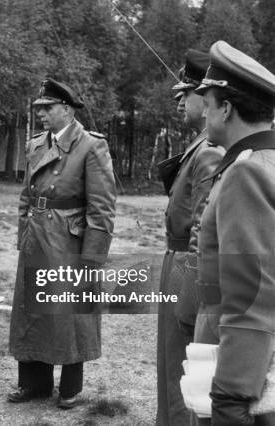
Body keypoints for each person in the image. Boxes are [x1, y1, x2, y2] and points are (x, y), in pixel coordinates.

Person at [8, 78, 116, 409]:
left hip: (69, 239)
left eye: (47, 108)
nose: (40, 113)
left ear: (66, 110)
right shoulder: (36, 144)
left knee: (69, 313)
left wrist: (93, 256)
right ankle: (34, 384)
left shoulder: (91, 145)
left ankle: (71, 387)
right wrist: (22, 231)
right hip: (37, 235)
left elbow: (102, 207)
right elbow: (28, 193)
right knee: (32, 308)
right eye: (39, 108)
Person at [192, 40, 275, 425]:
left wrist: (231, 395)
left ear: (225, 109)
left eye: (207, 106)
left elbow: (249, 294)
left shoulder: (246, 173)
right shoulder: (263, 162)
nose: (204, 116)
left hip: (238, 362)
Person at [156, 49, 224, 426]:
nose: (180, 100)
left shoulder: (210, 150)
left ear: (207, 97)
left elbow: (203, 225)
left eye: (187, 94)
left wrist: (192, 290)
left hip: (188, 263)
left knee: (184, 366)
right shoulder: (200, 143)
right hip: (177, 259)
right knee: (170, 362)